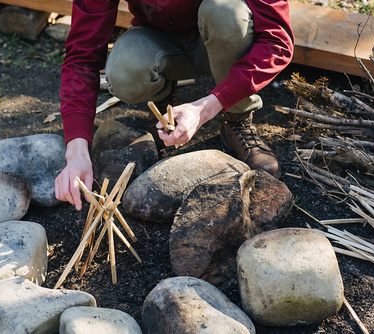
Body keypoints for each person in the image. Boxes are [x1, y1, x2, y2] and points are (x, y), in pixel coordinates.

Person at [55, 0, 294, 210]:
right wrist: (76, 153)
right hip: (161, 45)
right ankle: (163, 99)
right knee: (124, 68)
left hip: (223, 38)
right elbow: (82, 58)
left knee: (226, 12)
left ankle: (238, 117)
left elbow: (277, 41)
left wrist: (205, 108)